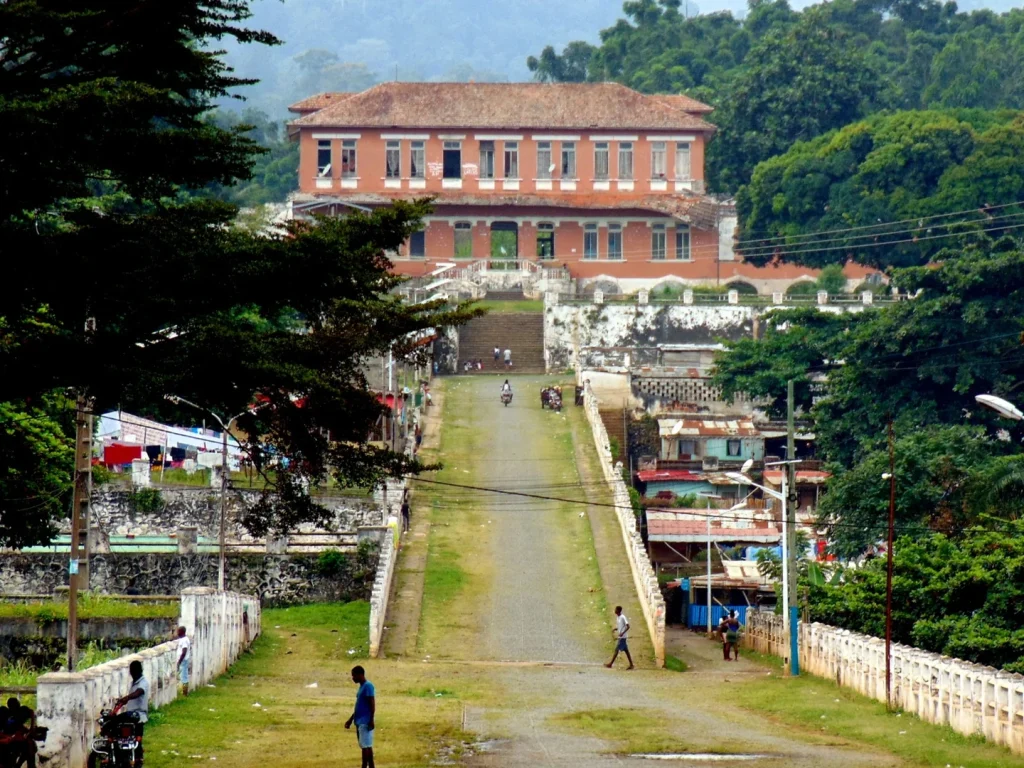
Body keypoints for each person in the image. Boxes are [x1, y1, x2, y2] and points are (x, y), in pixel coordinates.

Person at [113, 660, 149, 766]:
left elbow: (139, 692)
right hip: (131, 714)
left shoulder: (143, 683)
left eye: (132, 671)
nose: (131, 673)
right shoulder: (134, 683)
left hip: (138, 715)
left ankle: (138, 759)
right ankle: (125, 755)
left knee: (115, 722)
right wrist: (122, 702)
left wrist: (127, 698)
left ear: (136, 671)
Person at [345, 665, 375, 768]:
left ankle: (364, 765)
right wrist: (350, 719)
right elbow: (359, 705)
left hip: (365, 721)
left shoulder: (368, 686)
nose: (353, 678)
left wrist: (371, 719)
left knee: (365, 746)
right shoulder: (362, 687)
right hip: (359, 720)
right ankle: (371, 765)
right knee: (367, 745)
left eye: (354, 676)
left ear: (360, 675)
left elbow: (372, 703)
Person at [176, 626, 191, 695]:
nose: (177, 633)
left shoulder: (184, 640)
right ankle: (184, 691)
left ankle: (185, 693)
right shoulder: (184, 639)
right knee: (183, 675)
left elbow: (184, 651)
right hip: (184, 660)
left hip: (183, 660)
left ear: (181, 632)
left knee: (184, 676)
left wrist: (179, 661)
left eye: (178, 631)